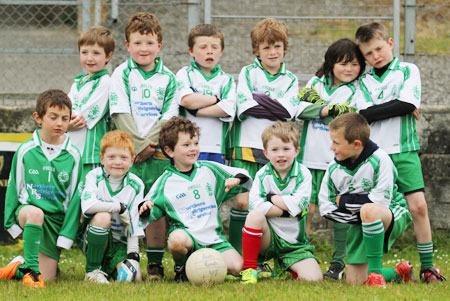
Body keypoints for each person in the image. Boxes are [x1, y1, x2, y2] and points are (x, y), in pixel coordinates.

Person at [355, 22, 445, 282]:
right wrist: (398, 106)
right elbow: (363, 115)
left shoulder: (408, 70)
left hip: (405, 151)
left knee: (418, 207)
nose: (375, 57)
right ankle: (376, 272)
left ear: (391, 43)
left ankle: (428, 268)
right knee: (377, 211)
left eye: (379, 49)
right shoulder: (364, 80)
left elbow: (408, 103)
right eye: (369, 54)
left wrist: (392, 108)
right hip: (376, 157)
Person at [109, 12, 179, 280]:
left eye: (149, 43)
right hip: (130, 156)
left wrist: (150, 146)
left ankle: (156, 264)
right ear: (127, 45)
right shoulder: (121, 74)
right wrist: (137, 148)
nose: (144, 49)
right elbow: (120, 113)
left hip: (158, 153)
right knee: (128, 205)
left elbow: (169, 118)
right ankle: (129, 256)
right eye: (137, 43)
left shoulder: (169, 78)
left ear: (159, 45)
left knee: (155, 207)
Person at [139, 116, 252, 282]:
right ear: (169, 151)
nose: (193, 149)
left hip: (214, 239)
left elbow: (243, 174)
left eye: (196, 143)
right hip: (187, 237)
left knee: (238, 268)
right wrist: (146, 208)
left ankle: (209, 263)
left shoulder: (209, 169)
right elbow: (149, 211)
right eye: (186, 145)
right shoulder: (165, 181)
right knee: (177, 240)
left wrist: (237, 180)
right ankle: (181, 268)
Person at [228, 18, 299, 271]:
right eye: (266, 47)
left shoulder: (290, 79)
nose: (272, 52)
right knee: (242, 202)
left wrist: (260, 99)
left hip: (275, 153)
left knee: (269, 205)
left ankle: (259, 260)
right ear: (256, 49)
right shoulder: (248, 72)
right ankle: (237, 257)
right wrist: (273, 107)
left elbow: (288, 111)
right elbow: (244, 105)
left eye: (277, 46)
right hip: (246, 146)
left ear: (285, 48)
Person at [319, 113, 415, 287]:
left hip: (392, 212)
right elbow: (325, 206)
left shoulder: (381, 160)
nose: (331, 147)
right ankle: (399, 271)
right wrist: (357, 215)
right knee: (355, 281)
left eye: (336, 143)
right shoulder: (333, 167)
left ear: (356, 144)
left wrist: (344, 201)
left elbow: (380, 202)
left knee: (369, 210)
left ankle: (375, 276)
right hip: (361, 219)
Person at [297, 38, 366, 280]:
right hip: (308, 160)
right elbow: (299, 110)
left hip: (337, 163)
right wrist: (328, 108)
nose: (349, 69)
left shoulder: (358, 90)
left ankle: (337, 264)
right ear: (330, 63)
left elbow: (345, 122)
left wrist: (320, 107)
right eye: (343, 63)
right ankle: (301, 256)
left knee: (339, 210)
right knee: (306, 209)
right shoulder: (316, 82)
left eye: (355, 64)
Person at [0, 89, 82, 288]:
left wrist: (67, 234)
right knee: (35, 213)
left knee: (50, 278)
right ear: (38, 118)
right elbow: (13, 188)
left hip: (55, 221)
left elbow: (74, 199)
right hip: (29, 213)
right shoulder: (25, 150)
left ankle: (19, 265)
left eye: (65, 118)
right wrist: (11, 224)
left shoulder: (73, 154)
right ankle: (32, 273)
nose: (59, 123)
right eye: (53, 117)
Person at [175, 23, 238, 254]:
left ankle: (211, 250)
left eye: (214, 47)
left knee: (211, 204)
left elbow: (228, 108)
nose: (209, 52)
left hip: (215, 150)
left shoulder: (227, 80)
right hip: (186, 151)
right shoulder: (184, 73)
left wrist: (198, 110)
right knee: (188, 203)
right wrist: (213, 98)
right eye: (203, 47)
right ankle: (186, 252)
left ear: (221, 51)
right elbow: (186, 101)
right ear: (191, 51)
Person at [240, 122, 322, 284]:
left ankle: (286, 264)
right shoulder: (263, 175)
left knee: (314, 279)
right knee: (254, 216)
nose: (281, 155)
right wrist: (286, 210)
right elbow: (255, 206)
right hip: (268, 238)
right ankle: (250, 269)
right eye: (275, 150)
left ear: (296, 151)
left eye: (286, 149)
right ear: (266, 153)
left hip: (294, 244)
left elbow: (299, 205)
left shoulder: (303, 174)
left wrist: (272, 198)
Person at [77, 130, 145, 284]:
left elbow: (134, 220)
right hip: (91, 236)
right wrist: (118, 207)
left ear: (132, 160)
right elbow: (88, 206)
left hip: (119, 243)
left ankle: (107, 268)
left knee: (135, 279)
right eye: (111, 157)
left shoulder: (136, 185)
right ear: (101, 158)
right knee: (103, 216)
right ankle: (92, 271)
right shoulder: (94, 176)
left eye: (123, 157)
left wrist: (133, 255)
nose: (118, 162)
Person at [67, 26, 114, 179]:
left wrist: (65, 124)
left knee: (88, 194)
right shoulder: (78, 83)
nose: (89, 58)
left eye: (96, 53)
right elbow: (65, 110)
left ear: (108, 56)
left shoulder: (105, 83)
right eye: (84, 52)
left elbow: (84, 117)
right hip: (73, 150)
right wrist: (64, 122)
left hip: (91, 155)